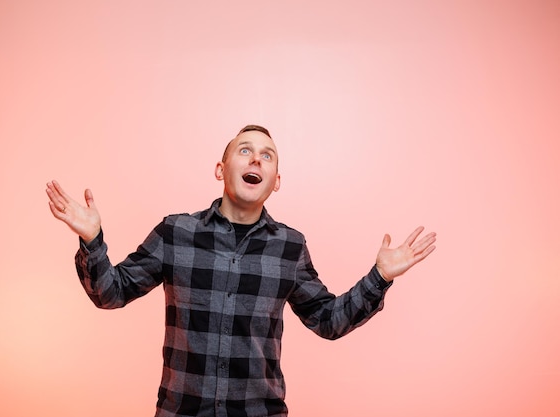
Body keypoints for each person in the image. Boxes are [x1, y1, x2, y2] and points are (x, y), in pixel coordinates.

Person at [46, 125, 436, 417]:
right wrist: (92, 239)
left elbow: (327, 320)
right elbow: (110, 293)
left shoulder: (290, 246)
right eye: (245, 150)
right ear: (220, 169)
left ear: (276, 182)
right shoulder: (176, 232)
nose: (255, 159)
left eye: (267, 156)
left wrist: (380, 277)